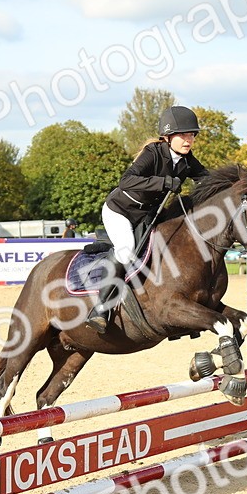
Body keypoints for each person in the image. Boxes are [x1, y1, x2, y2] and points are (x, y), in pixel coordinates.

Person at [85, 105, 209, 333]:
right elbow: (127, 181)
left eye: (192, 134)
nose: (188, 140)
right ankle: (101, 309)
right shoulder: (153, 152)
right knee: (127, 250)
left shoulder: (187, 160)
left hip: (148, 215)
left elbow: (208, 180)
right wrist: (162, 182)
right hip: (121, 211)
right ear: (168, 136)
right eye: (183, 135)